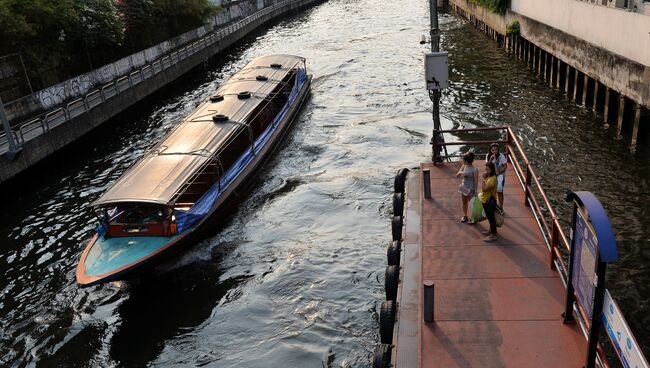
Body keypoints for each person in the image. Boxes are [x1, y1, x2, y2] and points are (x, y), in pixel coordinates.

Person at [456, 152, 479, 223]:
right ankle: (465, 215)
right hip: (464, 187)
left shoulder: (475, 169)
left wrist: (476, 191)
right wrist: (462, 173)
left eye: (463, 160)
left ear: (466, 161)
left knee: (472, 204)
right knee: (464, 202)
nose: (462, 161)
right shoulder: (464, 166)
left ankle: (474, 217)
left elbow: (476, 181)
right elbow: (457, 175)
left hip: (471, 188)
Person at [480, 161, 498, 242]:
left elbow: (484, 189)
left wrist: (483, 180)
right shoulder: (490, 177)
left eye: (487, 169)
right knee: (489, 217)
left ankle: (493, 235)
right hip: (486, 200)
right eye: (485, 169)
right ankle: (491, 231)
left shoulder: (491, 179)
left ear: (491, 170)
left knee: (491, 218)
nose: (486, 171)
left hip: (489, 202)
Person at [485, 143, 507, 208]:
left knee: (500, 191)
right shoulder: (488, 155)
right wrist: (491, 159)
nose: (494, 152)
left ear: (498, 150)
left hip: (500, 175)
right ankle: (493, 206)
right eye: (493, 150)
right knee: (491, 191)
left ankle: (501, 207)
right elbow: (487, 165)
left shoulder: (501, 156)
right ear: (490, 150)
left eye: (496, 150)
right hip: (491, 175)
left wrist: (499, 172)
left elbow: (505, 166)